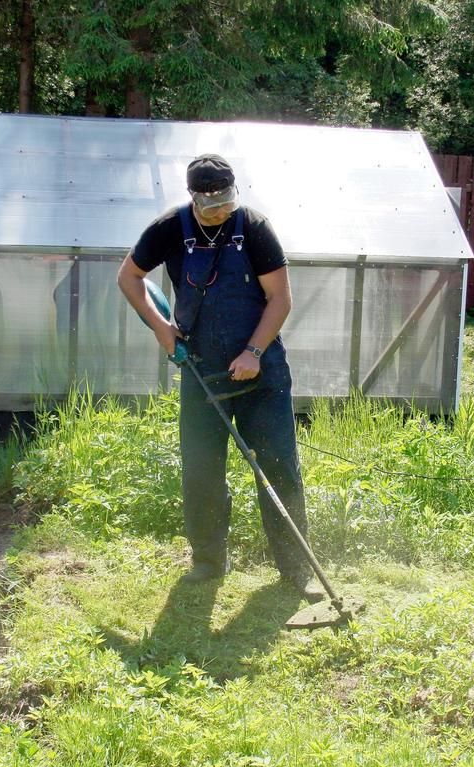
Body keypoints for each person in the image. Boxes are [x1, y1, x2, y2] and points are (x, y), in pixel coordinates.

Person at [117, 154, 322, 601]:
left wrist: (253, 351)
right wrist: (162, 328)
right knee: (202, 471)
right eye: (210, 203)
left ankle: (295, 570)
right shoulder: (168, 228)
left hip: (261, 374)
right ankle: (208, 564)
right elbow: (129, 277)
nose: (220, 210)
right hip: (200, 372)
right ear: (193, 197)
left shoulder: (255, 227)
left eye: (226, 199)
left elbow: (280, 299)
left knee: (279, 468)